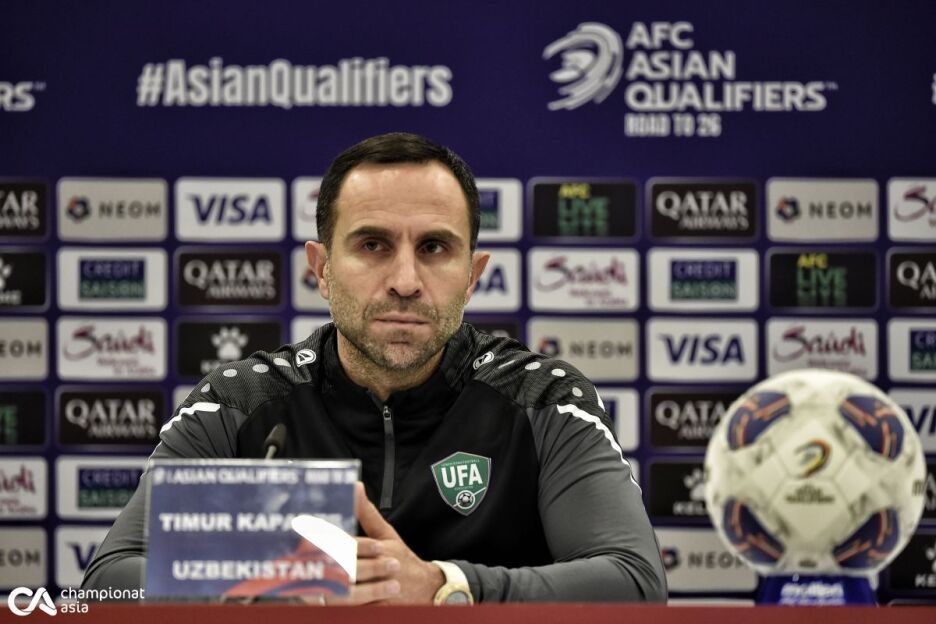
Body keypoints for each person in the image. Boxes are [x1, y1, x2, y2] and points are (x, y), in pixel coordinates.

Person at [82, 132, 667, 604]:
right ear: (321, 268)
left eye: (434, 248)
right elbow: (108, 584)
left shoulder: (541, 398)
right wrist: (267, 588)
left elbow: (635, 584)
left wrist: (446, 588)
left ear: (473, 274)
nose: (406, 281)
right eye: (373, 245)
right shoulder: (241, 404)